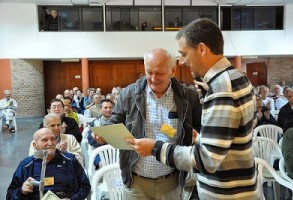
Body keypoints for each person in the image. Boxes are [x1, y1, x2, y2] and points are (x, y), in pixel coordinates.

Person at [126, 18, 261, 199]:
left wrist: (155, 148)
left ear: (202, 49)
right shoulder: (236, 76)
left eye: (184, 54)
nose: (182, 62)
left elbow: (205, 159)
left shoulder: (222, 88)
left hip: (227, 193)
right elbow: (233, 135)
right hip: (238, 186)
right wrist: (203, 137)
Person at [92, 48, 202, 199]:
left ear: (173, 71)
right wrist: (102, 132)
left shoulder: (189, 97)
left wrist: (196, 136)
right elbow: (114, 121)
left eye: (159, 73)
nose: (153, 78)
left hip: (171, 183)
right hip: (136, 183)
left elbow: (199, 127)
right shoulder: (129, 94)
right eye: (149, 72)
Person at [6, 128, 90, 199]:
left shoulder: (70, 160)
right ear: (35, 145)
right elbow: (10, 195)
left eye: (52, 139)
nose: (50, 143)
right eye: (44, 140)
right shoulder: (26, 165)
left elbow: (85, 186)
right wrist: (21, 191)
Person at [88, 99, 114, 169]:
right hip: (100, 150)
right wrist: (99, 140)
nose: (108, 109)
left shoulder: (117, 121)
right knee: (103, 165)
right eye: (105, 108)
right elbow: (90, 140)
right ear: (101, 109)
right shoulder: (96, 123)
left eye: (110, 107)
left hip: (115, 150)